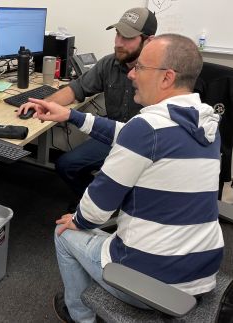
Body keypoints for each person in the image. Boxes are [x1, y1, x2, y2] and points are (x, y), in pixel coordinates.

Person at [28, 34, 224, 323]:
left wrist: (78, 221)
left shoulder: (147, 129)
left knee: (65, 233)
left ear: (167, 78)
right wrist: (71, 116)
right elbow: (127, 132)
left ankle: (80, 316)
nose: (131, 74)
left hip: (152, 286)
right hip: (201, 275)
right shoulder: (204, 123)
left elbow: (95, 210)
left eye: (141, 68)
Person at [18, 7, 158, 208]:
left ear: (149, 41)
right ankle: (96, 203)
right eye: (118, 34)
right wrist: (45, 103)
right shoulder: (110, 63)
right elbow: (76, 89)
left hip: (147, 143)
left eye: (127, 37)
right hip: (112, 135)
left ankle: (119, 206)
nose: (118, 43)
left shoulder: (161, 73)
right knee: (67, 164)